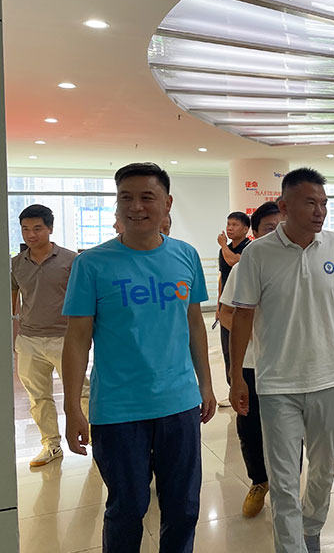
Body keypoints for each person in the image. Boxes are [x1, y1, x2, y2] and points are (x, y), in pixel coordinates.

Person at [61, 162, 216, 553]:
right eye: (125, 198)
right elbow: (77, 339)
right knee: (126, 509)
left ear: (167, 203)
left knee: (183, 507)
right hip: (118, 409)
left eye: (147, 197)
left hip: (179, 403)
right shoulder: (91, 264)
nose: (136, 207)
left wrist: (207, 385)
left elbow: (194, 324)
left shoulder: (185, 255)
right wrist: (72, 407)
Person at [229, 168, 334, 553]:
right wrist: (236, 375)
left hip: (328, 379)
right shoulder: (257, 253)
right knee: (284, 481)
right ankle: (291, 547)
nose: (319, 211)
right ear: (285, 206)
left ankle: (311, 530)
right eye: (310, 203)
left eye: (323, 203)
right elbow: (242, 316)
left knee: (323, 471)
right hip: (277, 384)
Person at [10, 204, 90, 468]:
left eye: (37, 228)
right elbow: (13, 302)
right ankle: (51, 444)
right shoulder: (16, 264)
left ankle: (94, 438)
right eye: (25, 229)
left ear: (50, 229)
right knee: (38, 397)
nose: (31, 235)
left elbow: (84, 300)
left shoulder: (71, 261)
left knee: (81, 392)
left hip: (65, 338)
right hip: (29, 340)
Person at [218, 201, 283, 518]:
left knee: (289, 429)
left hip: (289, 366)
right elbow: (226, 313)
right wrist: (256, 335)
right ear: (255, 234)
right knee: (250, 426)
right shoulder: (244, 267)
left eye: (282, 227)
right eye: (270, 228)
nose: (278, 234)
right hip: (253, 364)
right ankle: (259, 481)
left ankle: (286, 486)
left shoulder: (301, 265)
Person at [216, 211, 251, 407]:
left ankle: (246, 386)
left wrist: (222, 245)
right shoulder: (225, 249)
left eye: (234, 225)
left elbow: (233, 262)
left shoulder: (249, 248)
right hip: (227, 306)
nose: (229, 228)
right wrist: (219, 305)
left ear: (246, 229)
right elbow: (223, 276)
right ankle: (233, 389)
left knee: (242, 349)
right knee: (227, 349)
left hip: (244, 305)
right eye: (228, 224)